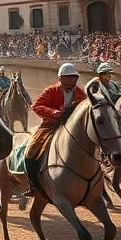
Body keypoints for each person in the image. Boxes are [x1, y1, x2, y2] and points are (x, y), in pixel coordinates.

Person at [24, 63, 87, 196]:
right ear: (61, 78)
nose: (73, 80)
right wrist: (53, 112)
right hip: (50, 126)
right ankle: (33, 185)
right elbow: (36, 106)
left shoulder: (81, 93)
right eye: (69, 77)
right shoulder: (50, 91)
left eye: (74, 77)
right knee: (30, 151)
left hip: (74, 127)